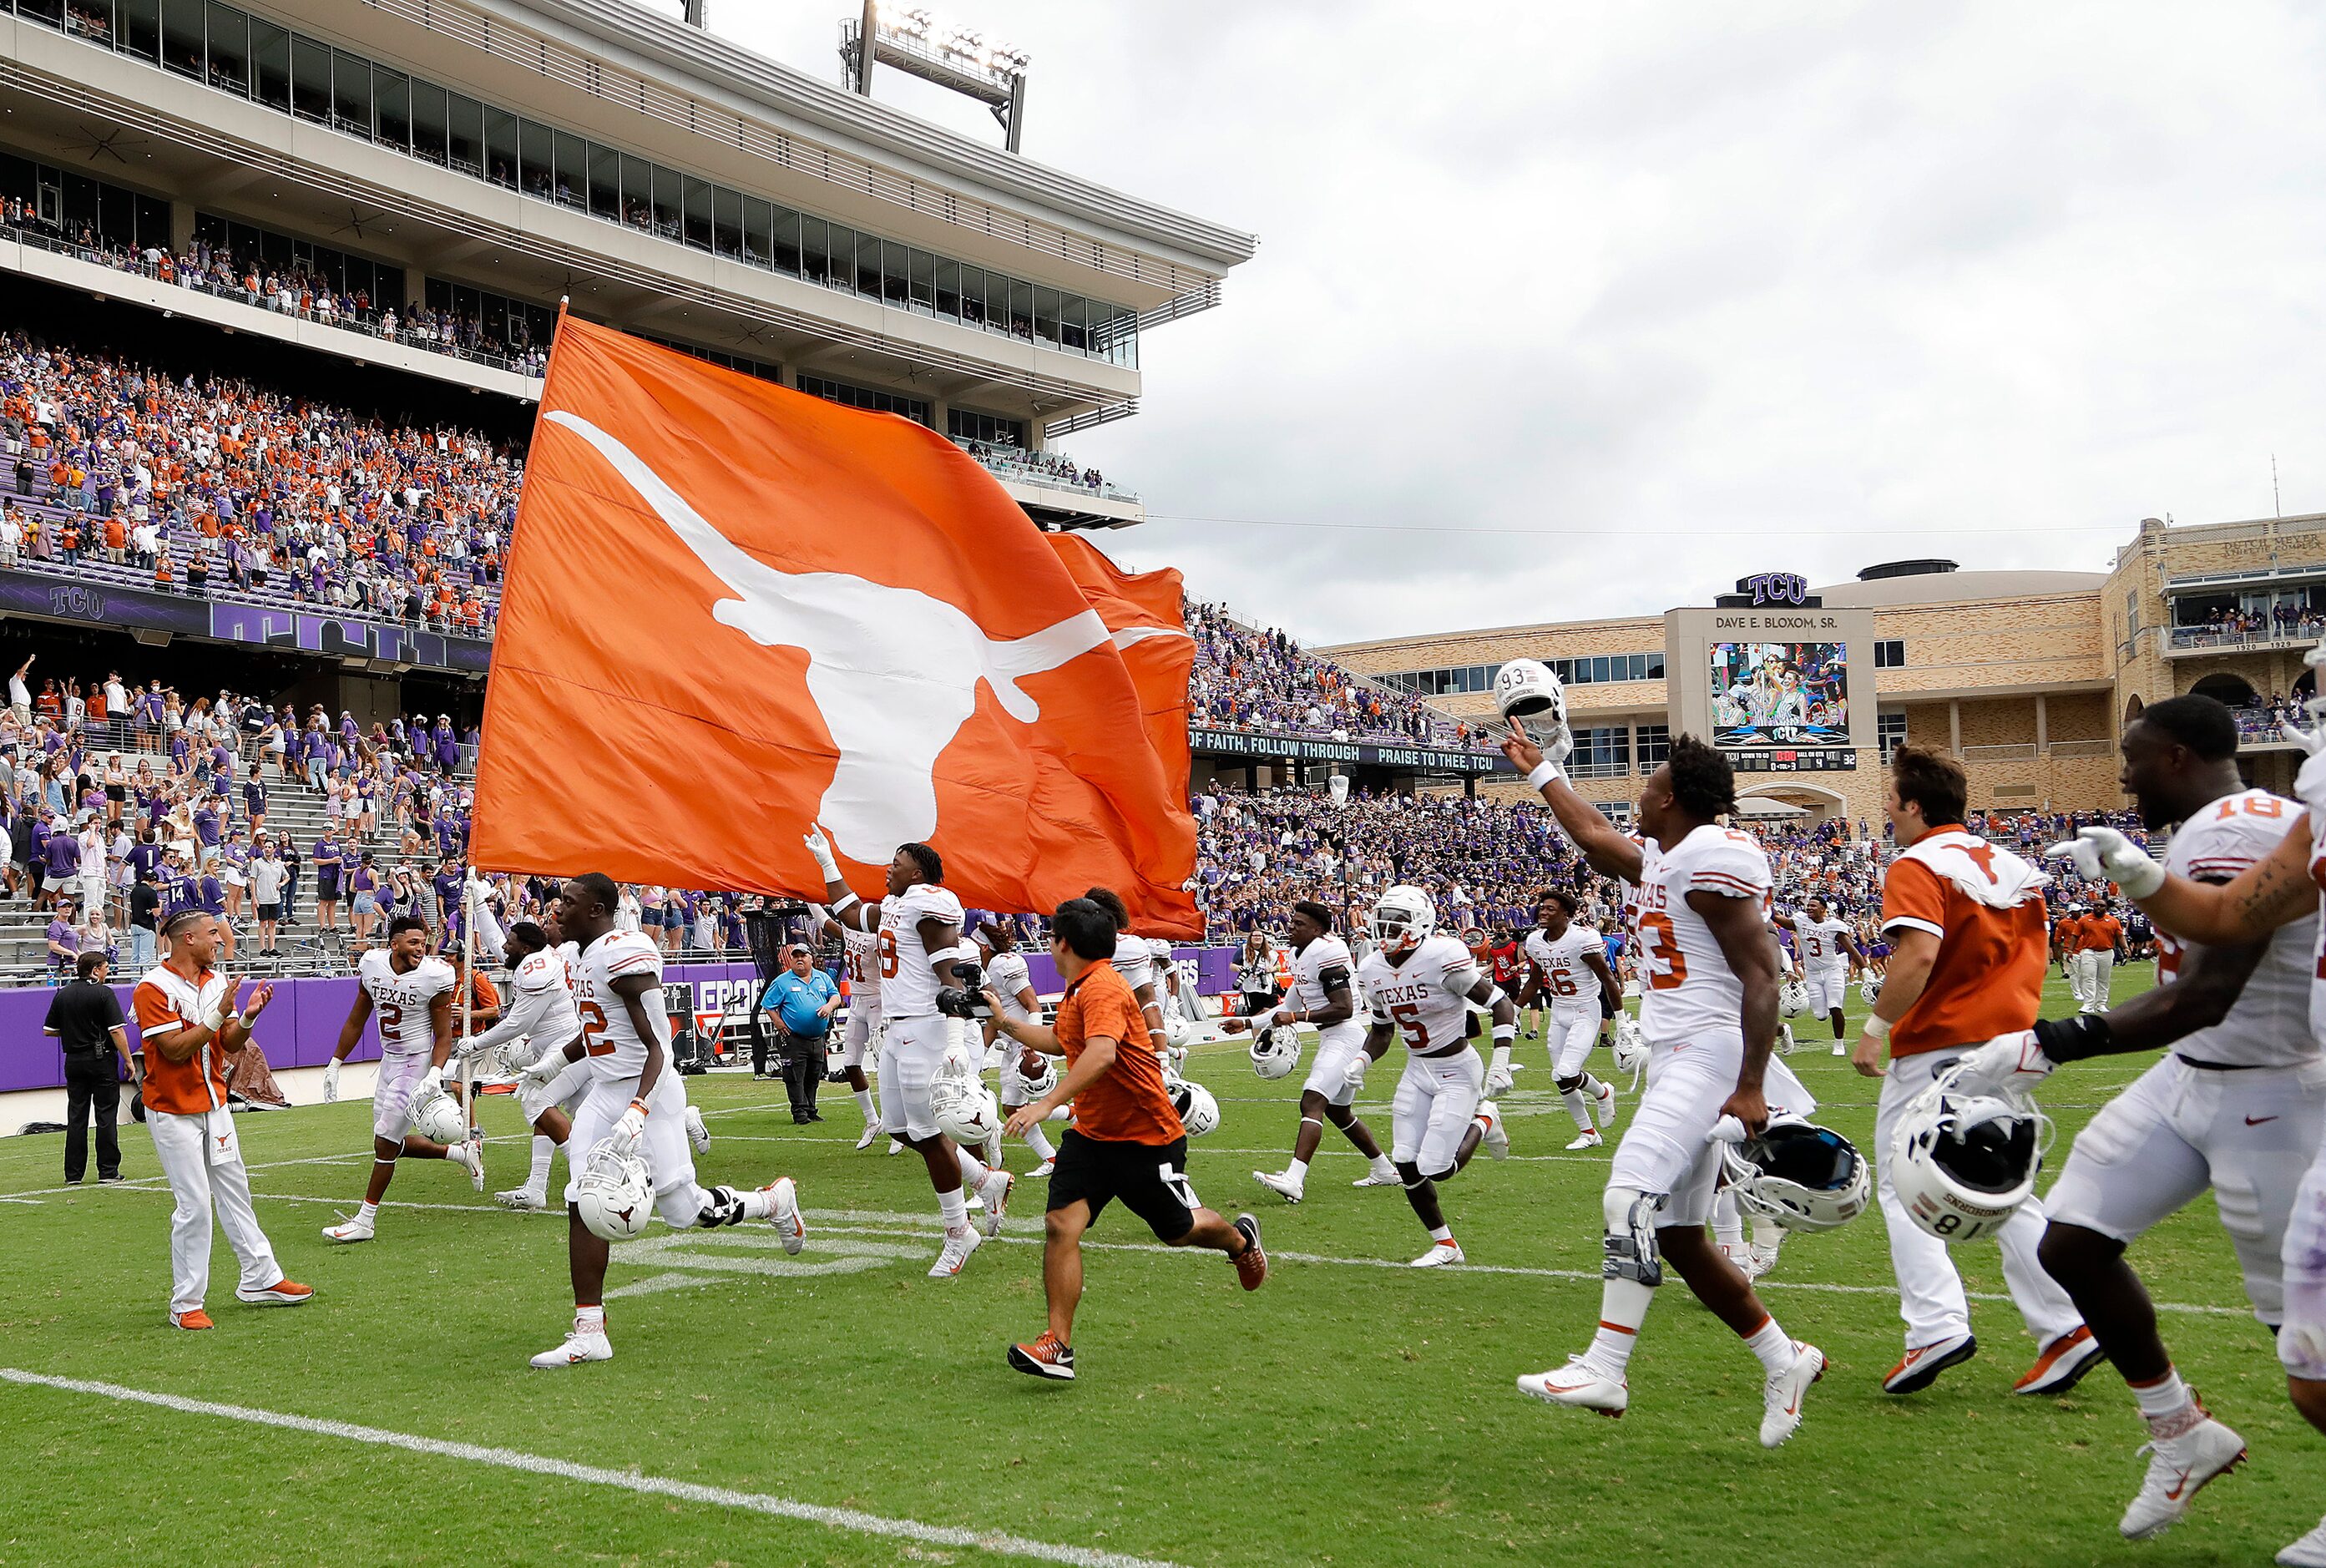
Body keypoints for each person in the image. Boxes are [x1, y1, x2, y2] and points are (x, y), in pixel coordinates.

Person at [1952, 695, 2308, 1541]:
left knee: (2300, 1338)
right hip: (2197, 1076)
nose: (2121, 774)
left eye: (2133, 757)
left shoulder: (2231, 829)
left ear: (2178, 756)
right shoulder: (2225, 820)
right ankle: (2180, 1431)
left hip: (2276, 1094)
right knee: (2070, 1239)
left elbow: (2207, 993)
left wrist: (2053, 1041)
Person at [1505, 722, 1825, 1447]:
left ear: (1673, 798)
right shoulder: (1670, 856)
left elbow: (1763, 974)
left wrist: (1749, 1086)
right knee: (1681, 1234)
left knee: (1627, 1191)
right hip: (1679, 1048)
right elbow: (1591, 833)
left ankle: (1607, 1367)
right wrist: (1537, 771)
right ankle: (1785, 1358)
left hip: (1708, 1051)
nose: (1636, 800)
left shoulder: (1712, 853)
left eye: (1647, 789)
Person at [1849, 746, 2096, 1396]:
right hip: (2010, 1042)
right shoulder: (2015, 864)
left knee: (1907, 1183)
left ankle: (1935, 1327)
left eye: (1893, 803)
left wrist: (1876, 1030)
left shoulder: (1917, 862)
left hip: (1939, 1046)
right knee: (1999, 1186)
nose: (1888, 815)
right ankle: (2068, 1326)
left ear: (1915, 805)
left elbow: (1918, 955)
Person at [517, 873, 803, 1368]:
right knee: (582, 1200)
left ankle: (774, 1201)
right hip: (606, 1092)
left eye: (569, 901)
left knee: (683, 1212)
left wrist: (640, 1107)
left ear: (598, 908)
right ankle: (589, 1330)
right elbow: (599, 1030)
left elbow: (659, 1047)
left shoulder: (623, 952)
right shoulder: (578, 957)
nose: (556, 909)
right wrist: (556, 1064)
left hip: (652, 1091)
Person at [989, 895, 1267, 1379]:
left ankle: (1240, 1242)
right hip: (1093, 1136)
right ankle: (1057, 1346)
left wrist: (1045, 1103)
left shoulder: (1100, 988)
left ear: (1063, 944)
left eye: (1051, 939)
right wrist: (1004, 1018)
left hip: (1145, 1137)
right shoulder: (1081, 989)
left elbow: (1100, 1055)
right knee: (1060, 1225)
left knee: (1177, 1231)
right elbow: (1060, 1042)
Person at [806, 828, 1014, 1277]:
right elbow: (852, 912)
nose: (887, 869)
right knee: (900, 1130)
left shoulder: (928, 903)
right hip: (897, 1028)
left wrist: (956, 1040)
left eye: (895, 864)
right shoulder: (898, 906)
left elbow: (952, 976)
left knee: (922, 1128)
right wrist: (827, 864)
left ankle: (959, 1232)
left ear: (916, 873)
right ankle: (984, 1179)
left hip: (926, 1027)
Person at [129, 909, 311, 1328]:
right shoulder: (152, 988)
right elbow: (174, 1050)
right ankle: (185, 1304)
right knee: (193, 1206)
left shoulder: (214, 982)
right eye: (213, 934)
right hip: (173, 1110)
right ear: (187, 939)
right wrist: (218, 1013)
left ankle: (261, 1278)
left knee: (236, 1192)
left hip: (215, 1103)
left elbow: (227, 1042)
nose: (220, 940)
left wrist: (246, 1016)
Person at [1351, 883, 1517, 1265]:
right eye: (1384, 924)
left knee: (1437, 1169)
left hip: (1457, 1069)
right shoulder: (1372, 968)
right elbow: (1382, 1030)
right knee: (1406, 1161)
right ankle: (1446, 1245)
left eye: (1398, 925)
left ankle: (1486, 1118)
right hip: (1416, 1068)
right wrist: (1361, 1061)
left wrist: (1501, 1060)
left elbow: (1501, 1003)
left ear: (1421, 925)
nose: (1388, 933)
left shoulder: (1442, 956)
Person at [317, 914, 483, 1243]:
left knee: (385, 1143)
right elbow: (356, 1018)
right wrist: (335, 1062)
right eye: (413, 942)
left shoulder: (436, 976)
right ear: (394, 944)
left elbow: (443, 1034)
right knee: (386, 1143)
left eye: (423, 943)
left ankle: (365, 1221)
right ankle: (463, 1153)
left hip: (416, 1062)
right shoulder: (372, 965)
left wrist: (435, 1073)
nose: (421, 949)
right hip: (389, 1061)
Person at [1226, 899, 1398, 1201]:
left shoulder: (1327, 953)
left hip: (1345, 1035)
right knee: (1338, 1110)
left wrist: (1297, 1018)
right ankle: (1384, 1169)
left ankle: (1294, 1178)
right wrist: (1245, 1022)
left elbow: (1343, 1008)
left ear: (1318, 930)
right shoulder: (1299, 954)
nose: (1291, 927)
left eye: (1299, 924)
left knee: (1312, 1101)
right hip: (1334, 1036)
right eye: (1292, 922)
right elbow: (1288, 1004)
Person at [453, 911, 590, 1213]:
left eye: (511, 944)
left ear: (525, 949)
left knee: (536, 1100)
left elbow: (516, 1023)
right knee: (583, 1112)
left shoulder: (534, 969)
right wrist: (480, 906)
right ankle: (536, 1188)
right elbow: (495, 939)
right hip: (561, 1042)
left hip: (565, 1045)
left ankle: (586, 1175)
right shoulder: (536, 955)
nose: (504, 947)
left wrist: (475, 1043)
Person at [1516, 890, 1622, 1150]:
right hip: (1559, 1011)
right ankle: (1588, 1133)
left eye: (1551, 909)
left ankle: (1603, 1092)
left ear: (1567, 915)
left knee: (1567, 1071)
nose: (1543, 912)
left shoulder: (1581, 940)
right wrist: (1515, 1009)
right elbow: (1534, 980)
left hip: (1585, 1010)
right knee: (1560, 1077)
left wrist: (1621, 1019)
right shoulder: (1536, 942)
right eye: (1542, 908)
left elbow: (1608, 978)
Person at [46, 949, 133, 1184]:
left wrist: (75, 1032)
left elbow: (49, 1030)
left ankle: (73, 1174)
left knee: (77, 1116)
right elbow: (116, 1029)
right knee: (105, 1115)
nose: (107, 971)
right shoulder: (103, 993)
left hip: (73, 1059)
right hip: (101, 1058)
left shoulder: (62, 995)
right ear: (95, 970)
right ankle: (108, 1171)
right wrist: (128, 1059)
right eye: (105, 967)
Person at [981, 917, 1058, 1176]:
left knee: (1013, 1107)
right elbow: (993, 1021)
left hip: (1024, 1045)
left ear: (984, 948)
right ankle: (1066, 1122)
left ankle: (1052, 1156)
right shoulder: (991, 969)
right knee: (1012, 1107)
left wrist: (1032, 1041)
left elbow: (1032, 1004)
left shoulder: (1003, 965)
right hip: (1014, 1045)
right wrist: (977, 1056)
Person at [815, 903, 889, 1151]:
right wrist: (808, 898)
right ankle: (872, 1120)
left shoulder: (880, 937)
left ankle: (897, 1124)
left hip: (879, 1001)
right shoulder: (850, 931)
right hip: (857, 1001)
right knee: (850, 1063)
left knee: (886, 1067)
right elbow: (825, 922)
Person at [1773, 894, 1863, 1053]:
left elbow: (1852, 950)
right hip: (1813, 973)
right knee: (1821, 1016)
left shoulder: (1834, 926)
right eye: (1808, 905)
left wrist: (1865, 970)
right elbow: (1778, 918)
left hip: (1832, 970)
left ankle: (1839, 1044)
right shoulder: (1800, 921)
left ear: (1823, 910)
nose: (1809, 908)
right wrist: (1765, 901)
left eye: (1813, 906)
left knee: (1835, 1007)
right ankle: (1827, 1009)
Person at [762, 942, 840, 1124]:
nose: (799, 959)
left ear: (811, 959)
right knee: (795, 1077)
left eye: (803, 956)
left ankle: (811, 1109)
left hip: (817, 1038)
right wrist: (778, 1022)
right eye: (795, 956)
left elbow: (835, 996)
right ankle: (799, 1113)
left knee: (814, 1076)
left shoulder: (823, 978)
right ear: (790, 960)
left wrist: (829, 1006)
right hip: (794, 1039)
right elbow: (768, 1004)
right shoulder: (782, 981)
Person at [2075, 898, 2126, 1014]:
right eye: (2096, 905)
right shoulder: (2084, 920)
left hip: (2106, 952)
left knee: (2104, 979)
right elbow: (2075, 935)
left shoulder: (2113, 921)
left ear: (2106, 908)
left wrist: (2125, 948)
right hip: (2089, 951)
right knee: (2088, 977)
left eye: (2101, 906)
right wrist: (2070, 950)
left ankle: (2101, 1004)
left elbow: (2120, 936)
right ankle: (2088, 1004)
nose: (2098, 908)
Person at [248, 840, 286, 958]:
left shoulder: (279, 864)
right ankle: (262, 948)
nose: (267, 849)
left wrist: (281, 883)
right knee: (263, 923)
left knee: (273, 923)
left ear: (274, 849)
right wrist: (254, 897)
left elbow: (287, 876)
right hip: (262, 897)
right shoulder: (257, 863)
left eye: (270, 847)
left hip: (274, 898)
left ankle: (272, 947)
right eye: (266, 847)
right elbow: (252, 881)